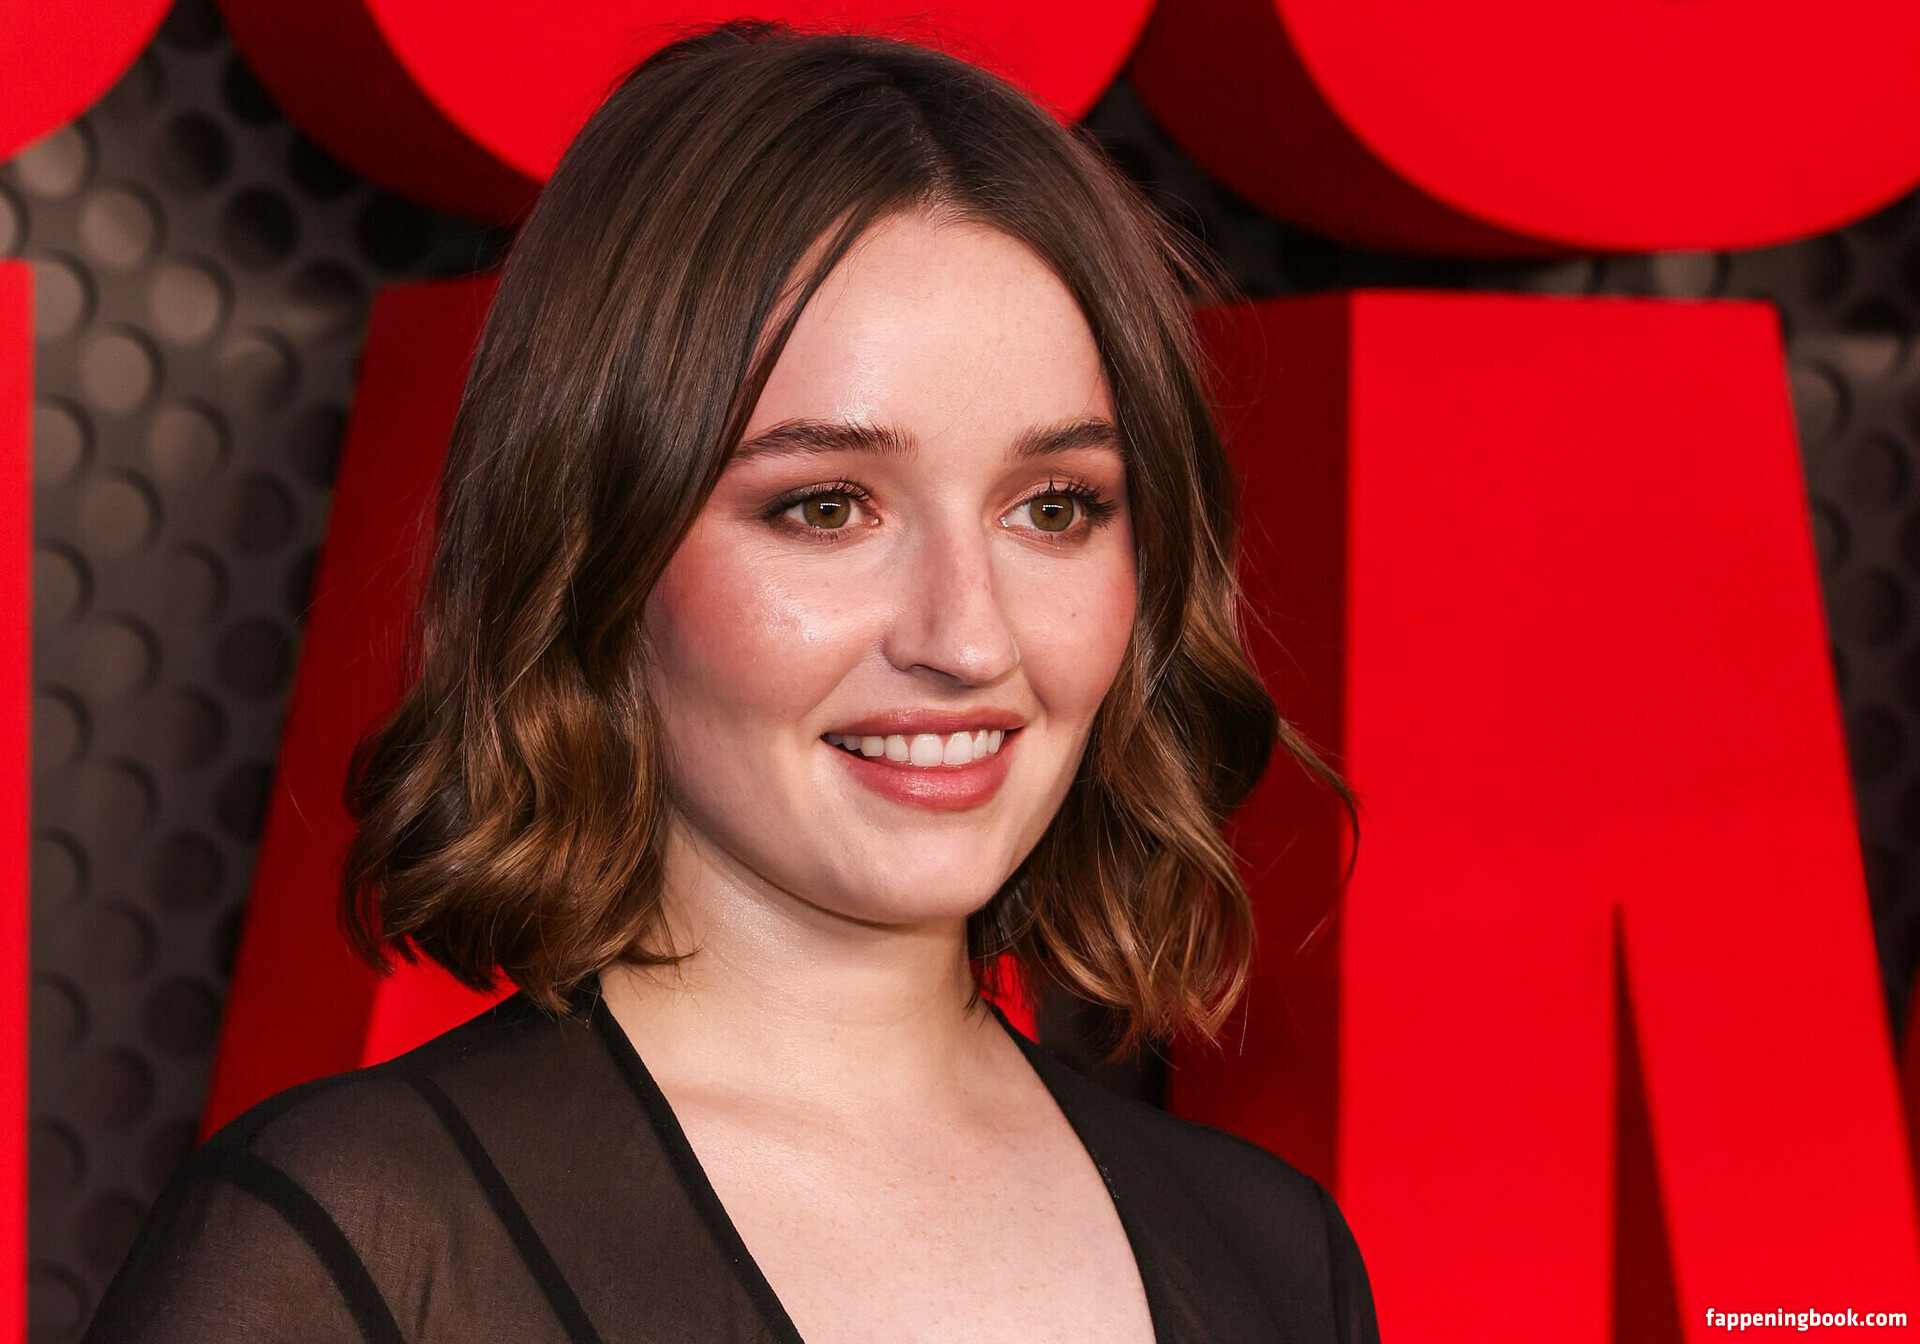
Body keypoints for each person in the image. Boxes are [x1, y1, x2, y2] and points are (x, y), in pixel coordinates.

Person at [82, 18, 1378, 1344]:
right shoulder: (345, 1248)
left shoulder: (1273, 1258)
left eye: (1054, 507)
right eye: (827, 507)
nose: (969, 638)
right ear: (599, 547)